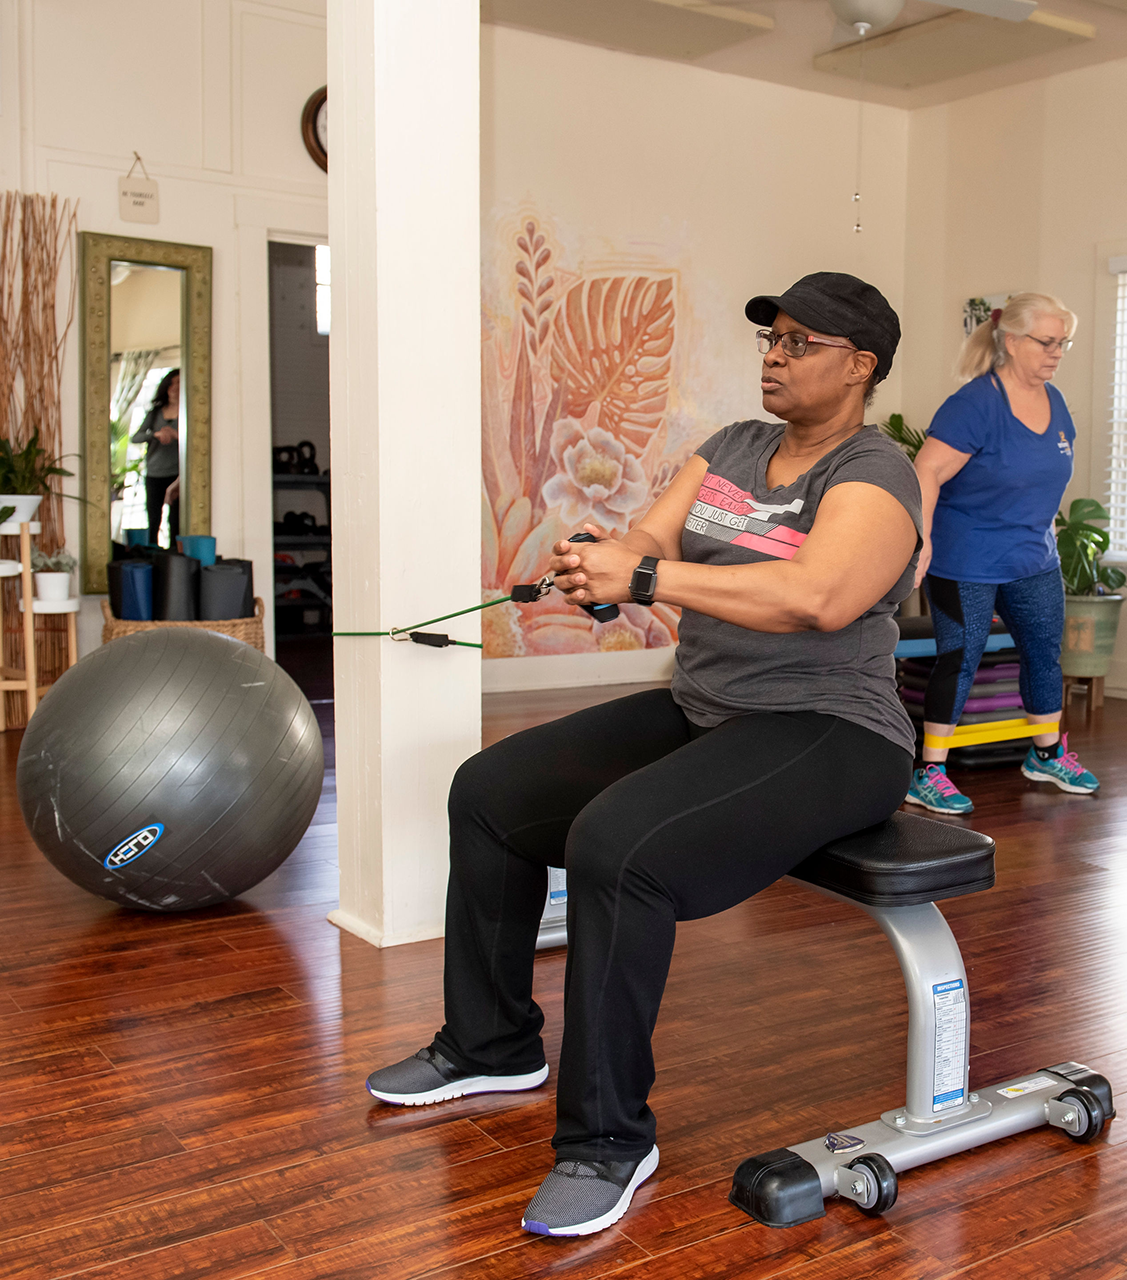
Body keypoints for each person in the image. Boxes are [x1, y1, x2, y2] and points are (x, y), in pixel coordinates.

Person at [364, 273, 921, 1239]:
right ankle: (492, 1044)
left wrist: (652, 575)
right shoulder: (732, 449)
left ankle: (607, 1140)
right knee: (490, 791)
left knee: (617, 845)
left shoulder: (875, 471)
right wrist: (600, 567)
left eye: (799, 344)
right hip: (707, 706)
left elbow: (820, 599)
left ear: (860, 365)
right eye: (771, 339)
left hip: (833, 729)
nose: (774, 358)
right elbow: (647, 540)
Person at [903, 292, 1099, 816]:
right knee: (960, 657)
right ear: (1011, 341)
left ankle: (1046, 754)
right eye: (1047, 342)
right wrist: (920, 544)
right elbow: (928, 471)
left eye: (1064, 343)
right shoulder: (975, 405)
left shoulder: (1055, 404)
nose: (1057, 352)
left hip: (1032, 558)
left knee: (1043, 651)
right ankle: (929, 772)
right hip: (965, 557)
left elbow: (1043, 478)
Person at [130, 368, 181, 547]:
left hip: (177, 475)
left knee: (176, 522)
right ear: (166, 387)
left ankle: (175, 558)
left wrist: (177, 435)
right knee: (154, 520)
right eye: (173, 383)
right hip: (154, 474)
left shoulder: (189, 413)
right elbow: (135, 437)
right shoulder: (154, 414)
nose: (176, 388)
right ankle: (154, 556)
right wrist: (155, 435)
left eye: (180, 383)